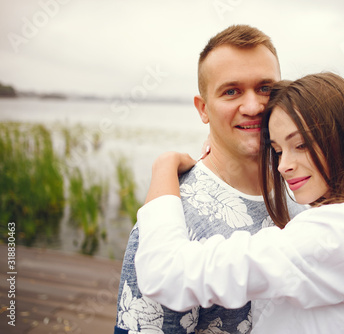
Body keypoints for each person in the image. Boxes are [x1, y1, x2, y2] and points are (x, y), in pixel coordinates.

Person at [134, 72, 344, 333]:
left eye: (301, 145)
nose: (284, 165)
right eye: (277, 150)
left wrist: (164, 166)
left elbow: (165, 272)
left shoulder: (341, 233)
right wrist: (224, 158)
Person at [114, 25, 304, 333]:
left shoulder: (304, 191)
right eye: (231, 91)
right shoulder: (170, 221)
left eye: (265, 88)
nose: (254, 107)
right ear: (203, 109)